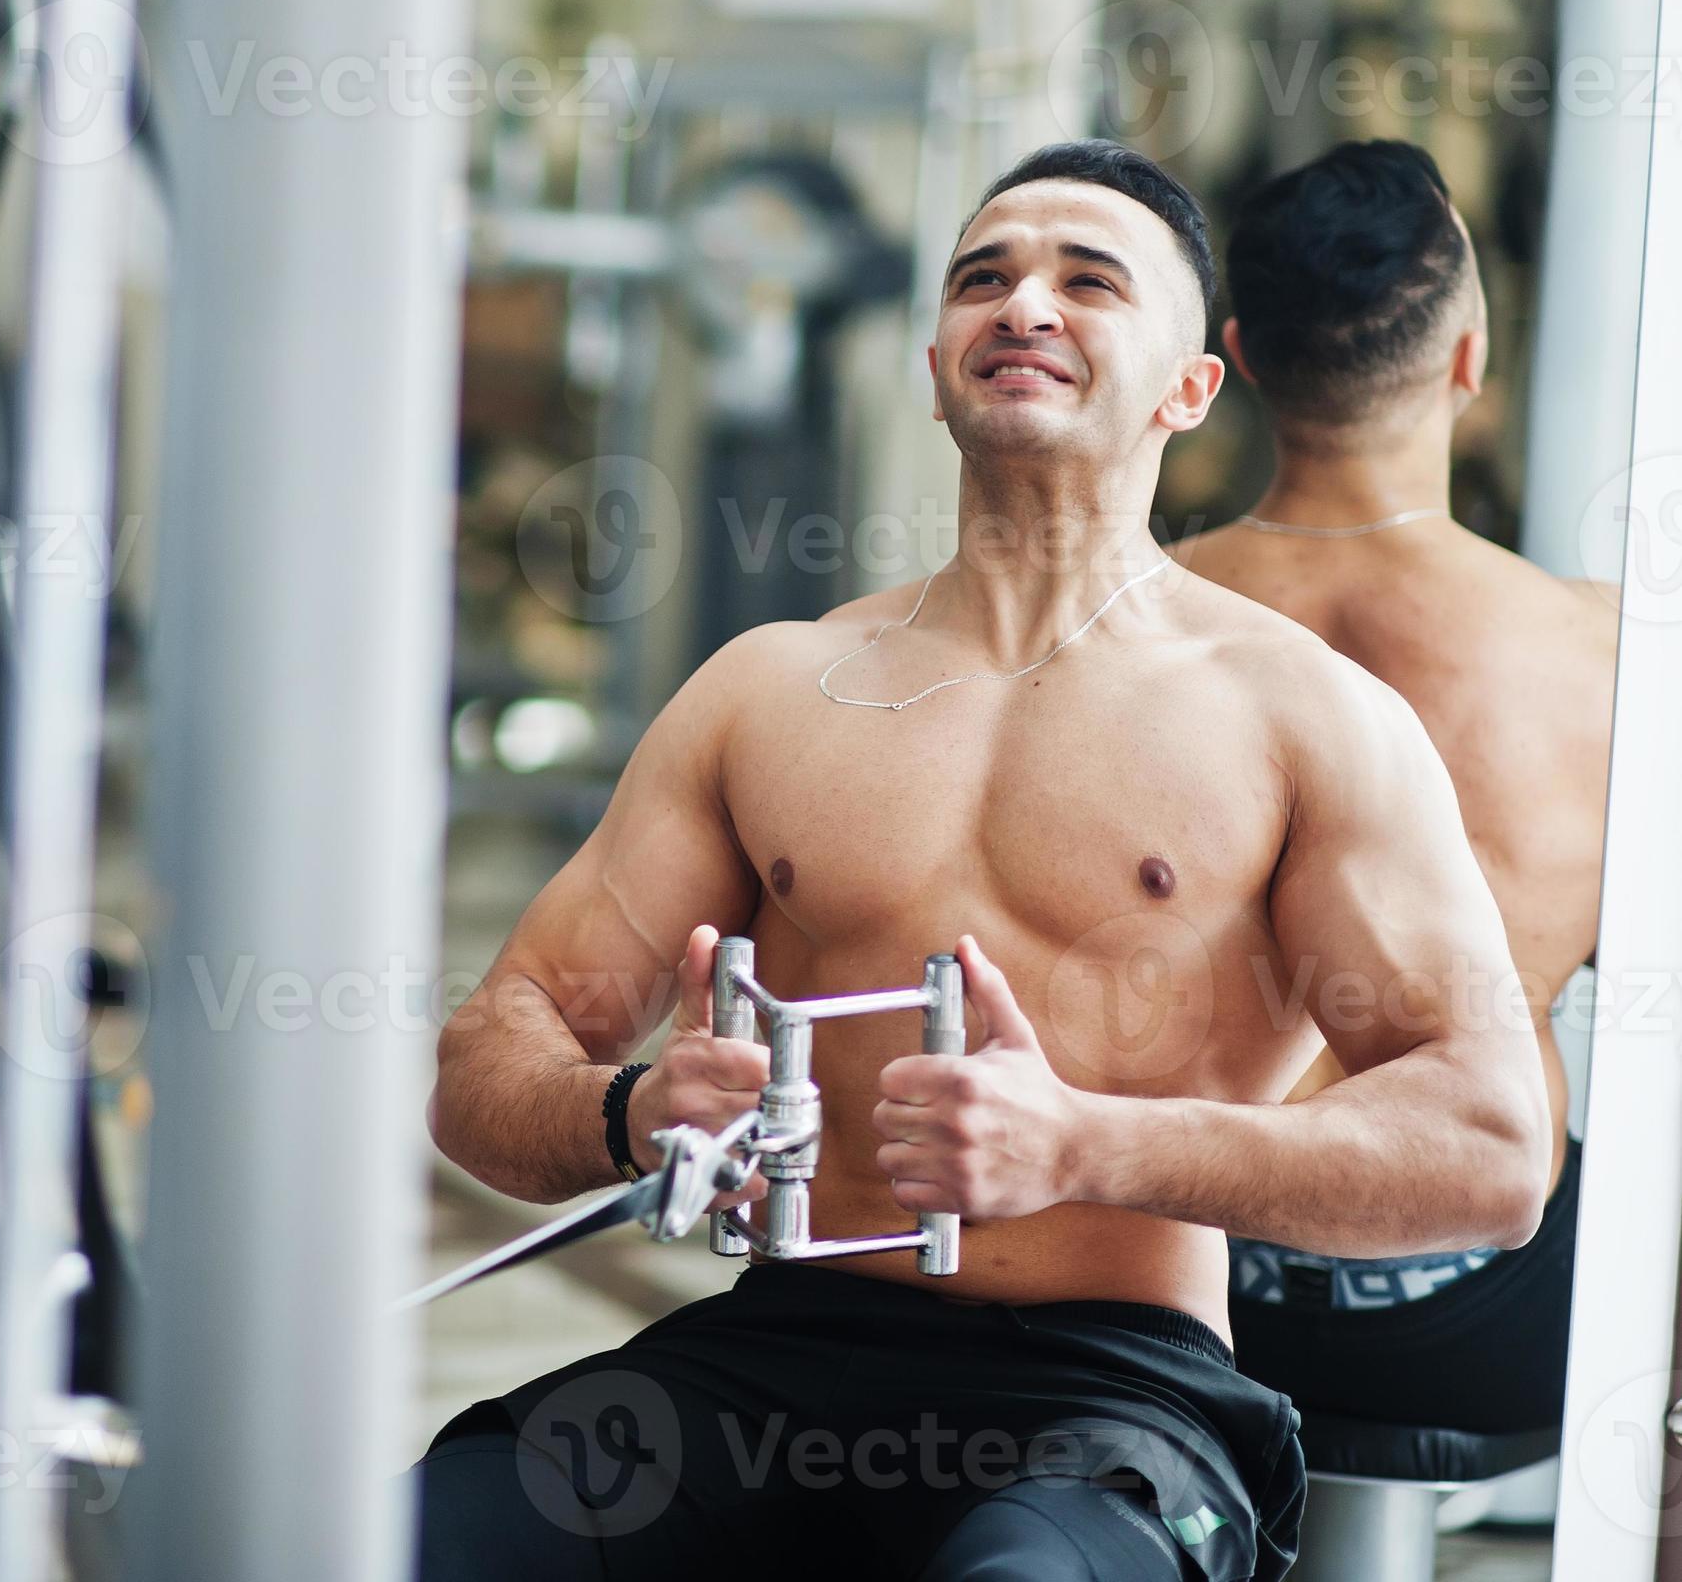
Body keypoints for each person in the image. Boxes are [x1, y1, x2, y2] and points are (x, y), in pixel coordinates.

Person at [415, 140, 1550, 1582]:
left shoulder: (1301, 713)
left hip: (1111, 1390)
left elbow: (1488, 1147)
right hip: (776, 1357)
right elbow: (484, 1065)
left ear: (1189, 387)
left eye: (1086, 281)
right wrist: (631, 1108)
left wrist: (1083, 1143)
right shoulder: (769, 689)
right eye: (982, 278)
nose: (1022, 304)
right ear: (937, 356)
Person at [1172, 140, 1612, 1433]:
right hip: (1477, 1308)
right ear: (1468, 360)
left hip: (1173, 1276)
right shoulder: (1613, 656)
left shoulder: (1118, 624)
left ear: (1239, 357)